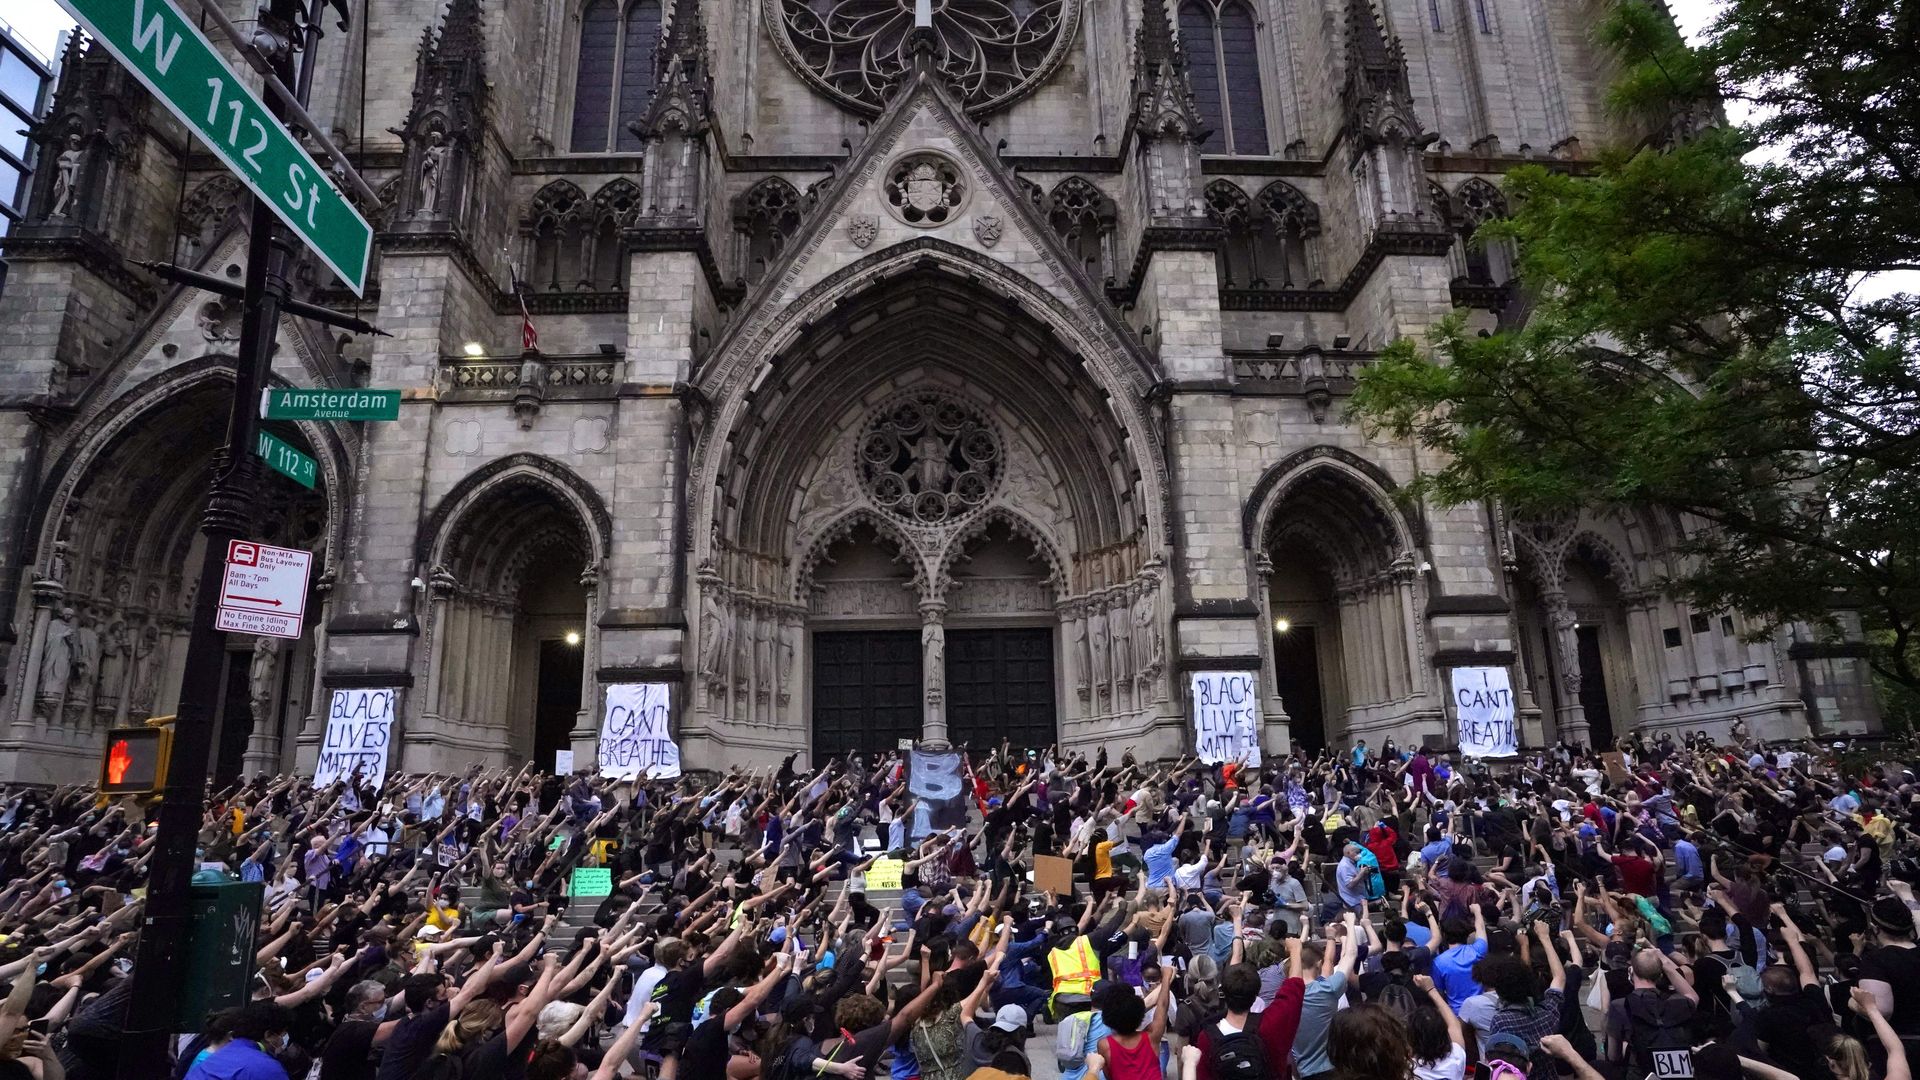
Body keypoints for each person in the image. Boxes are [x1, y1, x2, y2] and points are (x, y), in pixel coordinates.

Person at [185, 1002, 297, 1080]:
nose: (283, 1040)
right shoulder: (266, 1068)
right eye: (283, 1034)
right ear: (268, 1035)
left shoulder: (223, 1053)